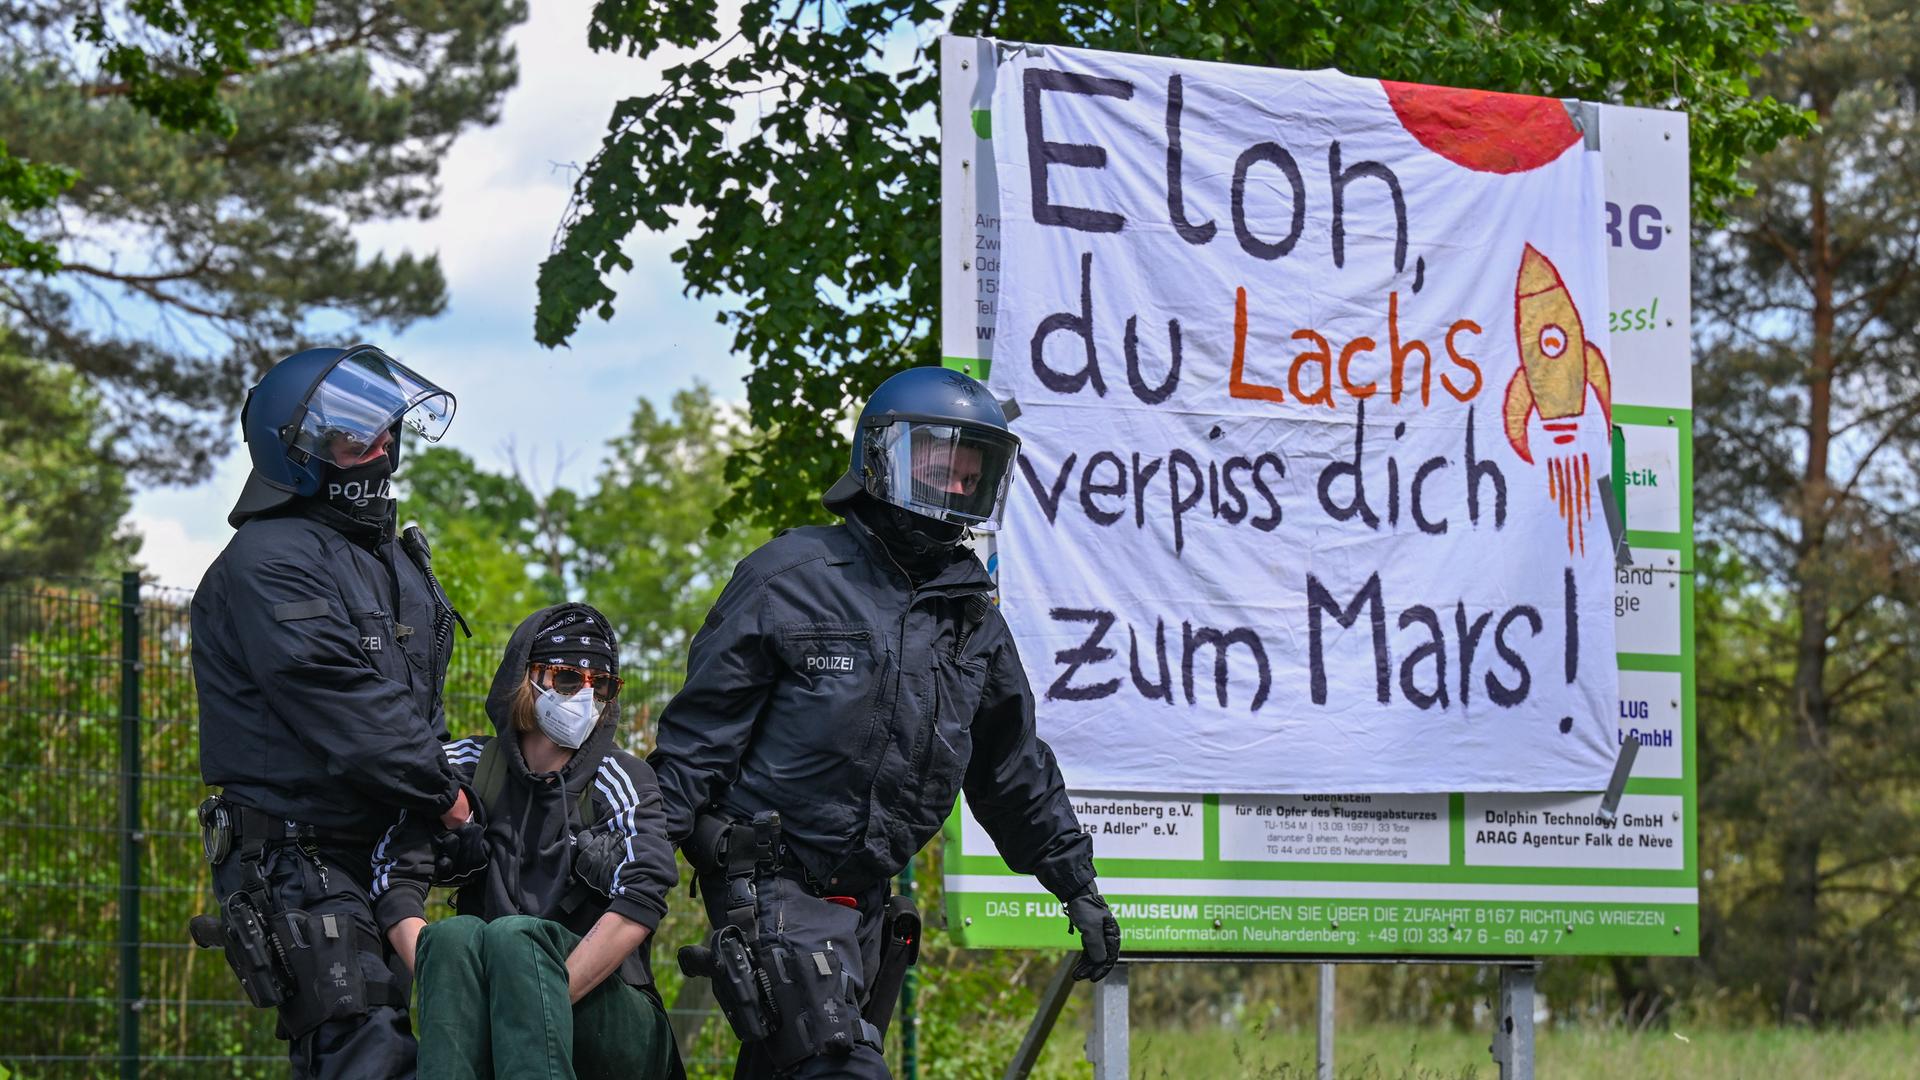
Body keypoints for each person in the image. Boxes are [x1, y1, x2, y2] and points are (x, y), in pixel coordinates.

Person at [652, 366, 1123, 1079]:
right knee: (840, 1068)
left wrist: (1076, 886)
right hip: (772, 884)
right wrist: (631, 889)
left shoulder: (972, 623)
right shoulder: (790, 578)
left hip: (867, 905)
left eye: (975, 470)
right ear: (883, 456)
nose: (958, 485)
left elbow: (1010, 769)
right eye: (943, 462)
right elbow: (693, 752)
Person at [191, 344, 470, 1078]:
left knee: (445, 1041)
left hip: (386, 847)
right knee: (362, 1049)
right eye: (354, 441)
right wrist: (450, 797)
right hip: (297, 853)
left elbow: (416, 711)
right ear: (302, 455)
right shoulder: (270, 558)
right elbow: (339, 696)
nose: (379, 452)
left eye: (384, 433)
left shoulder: (392, 557)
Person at [370, 603, 683, 1080]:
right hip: (494, 1003)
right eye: (565, 679)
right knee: (452, 937)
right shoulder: (463, 767)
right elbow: (395, 875)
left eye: (600, 685)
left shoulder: (623, 778)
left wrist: (530, 1002)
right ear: (525, 677)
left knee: (515, 938)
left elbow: (644, 896)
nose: (585, 696)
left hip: (612, 1014)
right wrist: (470, 992)